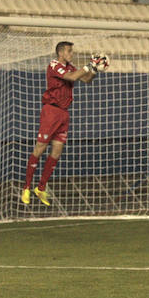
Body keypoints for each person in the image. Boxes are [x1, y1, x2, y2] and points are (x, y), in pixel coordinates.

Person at [21, 42, 106, 205]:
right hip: (51, 111)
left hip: (63, 114)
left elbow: (87, 79)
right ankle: (26, 187)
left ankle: (41, 188)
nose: (71, 53)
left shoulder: (71, 67)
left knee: (57, 151)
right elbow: (72, 78)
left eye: (71, 51)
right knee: (40, 148)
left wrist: (96, 69)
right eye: (69, 51)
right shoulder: (54, 65)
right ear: (60, 53)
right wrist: (90, 64)